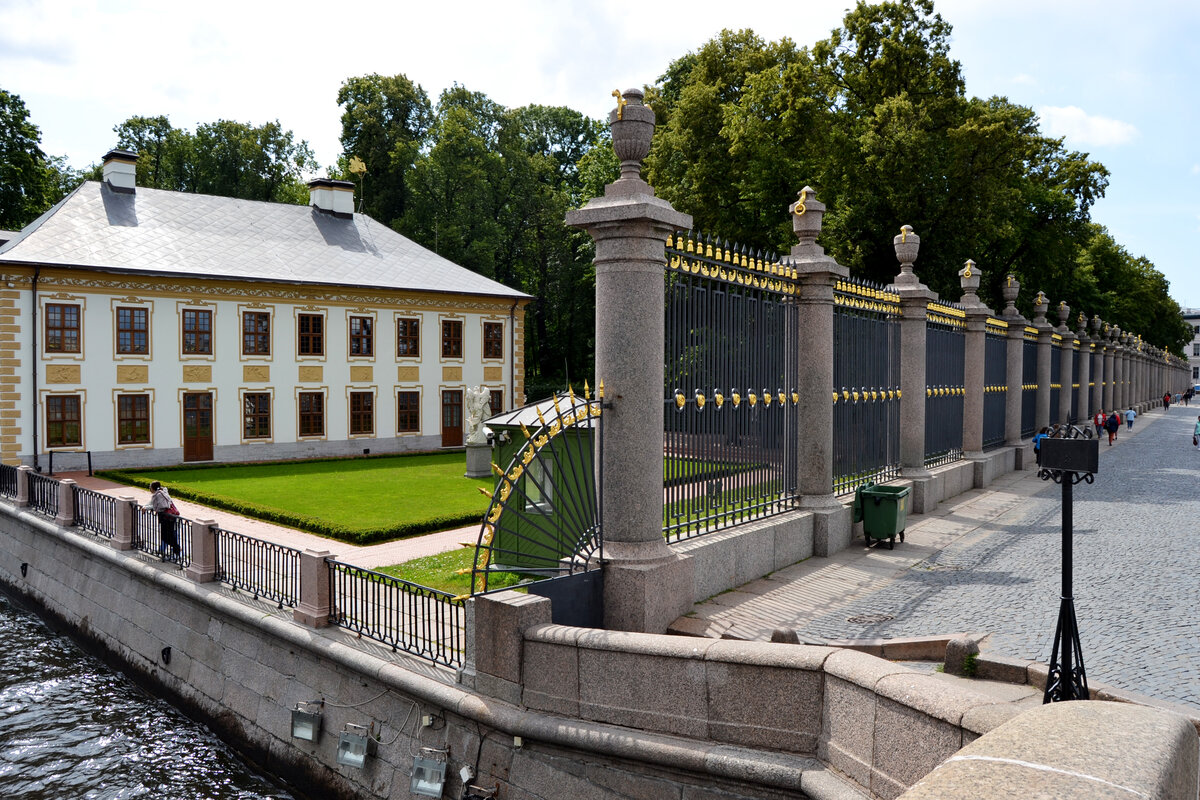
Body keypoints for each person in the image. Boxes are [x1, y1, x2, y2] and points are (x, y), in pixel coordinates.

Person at [145, 480, 181, 563]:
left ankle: (177, 551)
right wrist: (146, 507)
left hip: (167, 518)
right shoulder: (161, 492)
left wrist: (154, 509)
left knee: (168, 536)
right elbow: (152, 504)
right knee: (168, 536)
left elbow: (162, 506)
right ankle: (172, 551)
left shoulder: (158, 495)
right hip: (169, 518)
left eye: (150, 487)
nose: (149, 489)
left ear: (153, 488)